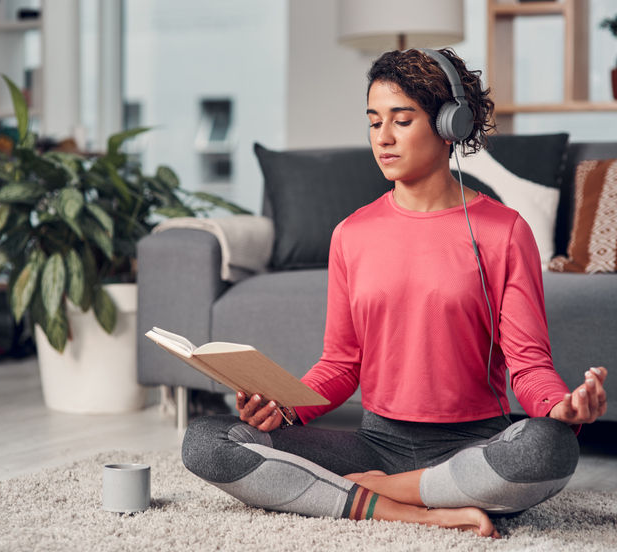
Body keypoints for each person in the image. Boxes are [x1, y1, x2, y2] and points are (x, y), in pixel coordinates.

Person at [181, 48, 608, 538]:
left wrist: (561, 406)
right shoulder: (352, 233)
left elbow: (528, 365)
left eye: (401, 121)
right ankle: (406, 507)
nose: (382, 138)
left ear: (450, 125)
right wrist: (284, 408)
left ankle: (384, 491)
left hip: (472, 449)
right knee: (207, 441)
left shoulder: (504, 232)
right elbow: (341, 364)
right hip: (376, 444)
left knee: (549, 448)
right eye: (373, 122)